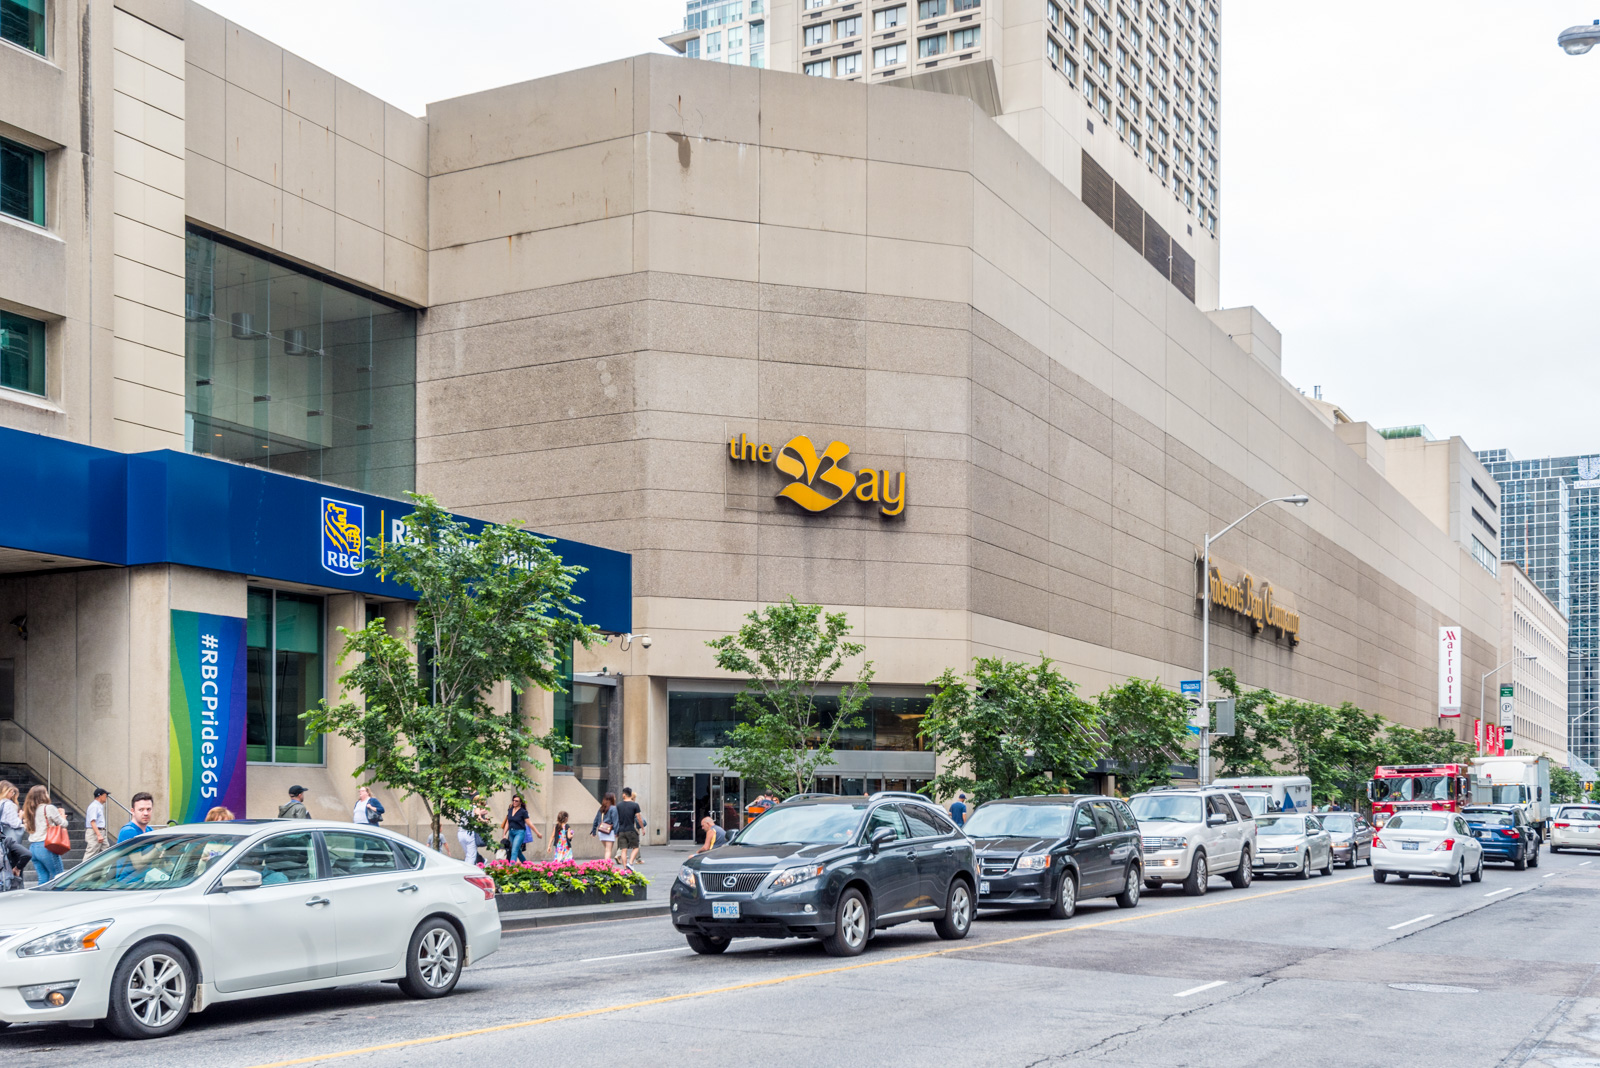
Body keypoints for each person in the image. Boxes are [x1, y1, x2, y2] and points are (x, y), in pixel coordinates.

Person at [23, 785, 69, 884]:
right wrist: (62, 816)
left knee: (43, 878)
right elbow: (63, 824)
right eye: (46, 793)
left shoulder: (29, 810)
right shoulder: (48, 808)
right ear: (43, 795)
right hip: (46, 846)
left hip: (33, 848)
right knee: (58, 877)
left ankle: (41, 899)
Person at [0, 781, 27, 890]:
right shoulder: (9, 805)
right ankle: (17, 888)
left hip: (2, 838)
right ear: (8, 792)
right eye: (13, 792)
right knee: (16, 864)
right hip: (10, 838)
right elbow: (14, 823)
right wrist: (20, 816)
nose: (13, 794)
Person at [613, 787, 646, 869]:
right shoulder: (635, 805)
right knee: (636, 847)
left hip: (621, 831)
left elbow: (616, 819)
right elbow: (639, 818)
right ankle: (630, 863)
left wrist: (615, 831)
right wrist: (642, 828)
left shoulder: (619, 805)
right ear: (630, 795)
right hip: (631, 830)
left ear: (624, 794)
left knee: (624, 850)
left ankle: (625, 868)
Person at [503, 794, 541, 861]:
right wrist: (504, 834)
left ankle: (511, 868)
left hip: (519, 832)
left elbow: (529, 823)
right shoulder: (510, 810)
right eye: (513, 800)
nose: (514, 802)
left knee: (514, 850)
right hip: (511, 832)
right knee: (518, 852)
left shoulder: (523, 812)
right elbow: (507, 823)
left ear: (520, 802)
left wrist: (537, 833)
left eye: (516, 801)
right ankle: (527, 864)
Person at [83, 787, 111, 862]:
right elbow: (92, 821)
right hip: (95, 832)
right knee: (91, 853)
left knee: (106, 851)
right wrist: (98, 834)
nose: (106, 798)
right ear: (100, 796)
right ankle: (83, 871)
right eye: (105, 796)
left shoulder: (99, 806)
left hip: (100, 831)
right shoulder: (94, 806)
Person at [591, 793, 618, 862]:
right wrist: (616, 832)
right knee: (608, 850)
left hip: (601, 831)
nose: (615, 798)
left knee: (607, 849)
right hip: (609, 831)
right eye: (614, 797)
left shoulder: (601, 808)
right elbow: (615, 821)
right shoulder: (613, 808)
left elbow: (595, 820)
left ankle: (606, 864)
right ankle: (607, 865)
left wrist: (594, 831)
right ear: (612, 799)